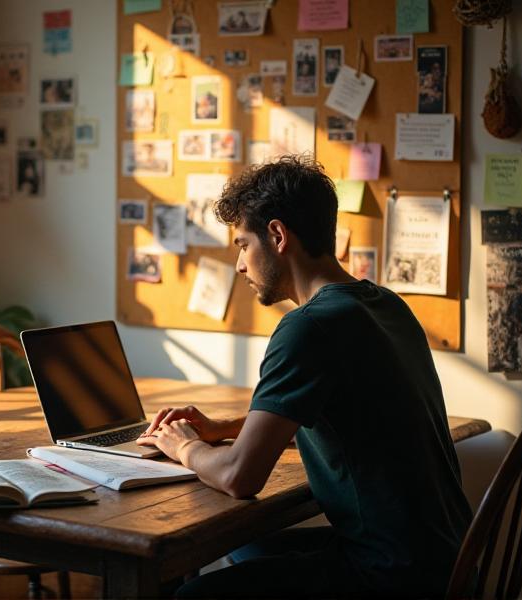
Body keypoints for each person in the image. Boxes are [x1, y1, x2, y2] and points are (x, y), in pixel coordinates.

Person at [137, 155, 472, 598]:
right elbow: (336, 410)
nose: (239, 265)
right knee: (251, 544)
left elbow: (240, 477)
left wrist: (187, 446)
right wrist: (225, 428)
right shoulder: (385, 305)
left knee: (189, 594)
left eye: (242, 245)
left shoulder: (309, 327)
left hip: (391, 578)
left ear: (277, 235)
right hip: (452, 558)